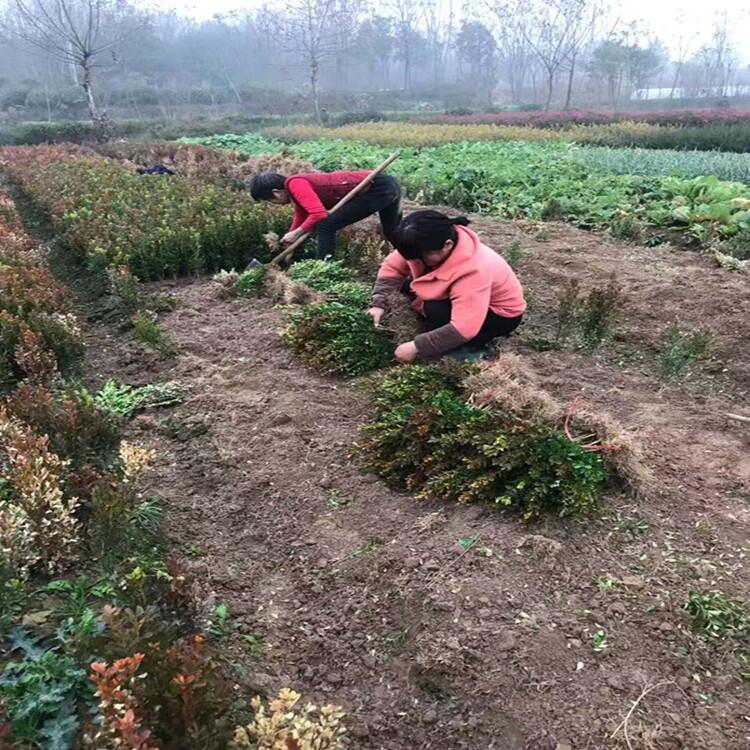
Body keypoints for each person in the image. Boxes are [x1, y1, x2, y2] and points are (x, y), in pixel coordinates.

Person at [369, 210, 526, 363]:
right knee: (406, 287)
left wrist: (417, 346)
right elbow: (393, 268)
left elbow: (464, 328)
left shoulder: (474, 270)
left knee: (434, 307)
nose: (416, 260)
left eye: (421, 257)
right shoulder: (421, 242)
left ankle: (474, 348)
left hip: (497, 317)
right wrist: (379, 303)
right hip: (464, 297)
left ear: (447, 245)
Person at [250, 169, 402, 260]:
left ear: (276, 193)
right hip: (387, 184)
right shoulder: (295, 190)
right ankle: (412, 259)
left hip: (378, 187)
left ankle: (324, 265)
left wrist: (297, 232)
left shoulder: (295, 184)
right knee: (393, 231)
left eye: (270, 201)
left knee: (326, 224)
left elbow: (318, 214)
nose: (274, 204)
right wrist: (291, 237)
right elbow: (301, 216)